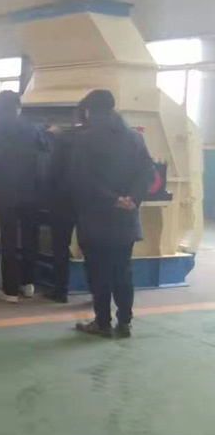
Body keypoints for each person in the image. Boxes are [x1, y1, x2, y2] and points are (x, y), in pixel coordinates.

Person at [70, 89, 154, 337]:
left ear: (89, 111)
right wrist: (132, 198)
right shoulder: (135, 138)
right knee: (123, 270)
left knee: (98, 271)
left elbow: (82, 179)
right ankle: (125, 322)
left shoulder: (85, 140)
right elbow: (147, 173)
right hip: (126, 216)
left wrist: (112, 198)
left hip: (96, 217)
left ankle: (102, 322)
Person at [0, 91, 48, 303]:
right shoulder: (33, 129)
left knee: (6, 240)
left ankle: (9, 290)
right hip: (31, 193)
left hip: (3, 194)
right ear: (18, 107)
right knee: (29, 238)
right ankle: (28, 284)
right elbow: (45, 151)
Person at [45, 97, 90, 303]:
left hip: (63, 200)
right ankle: (97, 290)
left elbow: (53, 170)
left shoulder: (65, 138)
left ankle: (60, 290)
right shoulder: (101, 139)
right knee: (90, 247)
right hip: (90, 200)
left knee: (60, 246)